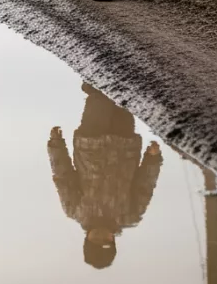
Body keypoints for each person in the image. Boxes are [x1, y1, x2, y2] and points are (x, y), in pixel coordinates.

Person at [48, 83, 163, 269]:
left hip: (90, 144)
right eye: (106, 239)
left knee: (99, 97)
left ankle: (98, 69)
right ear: (113, 240)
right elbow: (145, 186)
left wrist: (56, 145)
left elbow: (63, 176)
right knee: (124, 94)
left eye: (96, 238)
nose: (101, 234)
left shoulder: (75, 210)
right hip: (124, 146)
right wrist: (152, 160)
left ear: (87, 238)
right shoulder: (130, 215)